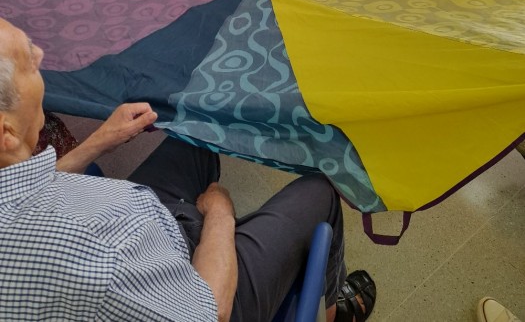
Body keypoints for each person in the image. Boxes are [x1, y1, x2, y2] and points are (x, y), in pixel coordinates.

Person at [0, 17, 376, 322]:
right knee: (321, 193)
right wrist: (220, 216)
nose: (42, 54)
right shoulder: (89, 255)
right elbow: (211, 311)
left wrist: (100, 141)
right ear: (7, 133)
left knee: (196, 135)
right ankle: (331, 314)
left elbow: (28, 190)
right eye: (28, 61)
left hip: (150, 227)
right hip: (194, 281)